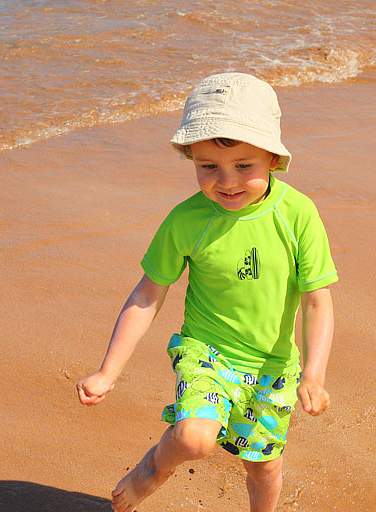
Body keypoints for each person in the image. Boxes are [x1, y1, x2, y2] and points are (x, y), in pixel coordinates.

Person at [77, 72, 337, 512]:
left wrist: (313, 373)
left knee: (264, 468)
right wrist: (108, 372)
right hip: (207, 353)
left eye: (244, 165)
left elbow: (317, 300)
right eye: (209, 166)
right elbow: (147, 295)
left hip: (273, 366)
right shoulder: (186, 220)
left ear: (273, 159)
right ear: (191, 158)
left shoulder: (299, 215)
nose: (227, 180)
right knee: (196, 438)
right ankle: (152, 469)